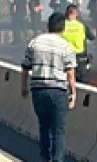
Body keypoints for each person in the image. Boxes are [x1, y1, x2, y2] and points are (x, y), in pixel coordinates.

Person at [21, 12, 77, 162]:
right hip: (58, 91)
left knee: (44, 126)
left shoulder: (34, 43)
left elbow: (25, 67)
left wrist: (23, 87)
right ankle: (57, 160)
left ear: (48, 26)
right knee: (58, 130)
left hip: (38, 90)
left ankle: (45, 157)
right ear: (63, 28)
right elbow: (70, 73)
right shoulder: (66, 46)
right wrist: (73, 94)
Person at [62, 4, 95, 82]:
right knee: (82, 82)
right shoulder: (82, 25)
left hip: (66, 57)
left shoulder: (62, 25)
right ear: (76, 13)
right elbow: (92, 37)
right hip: (81, 57)